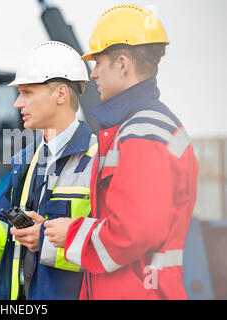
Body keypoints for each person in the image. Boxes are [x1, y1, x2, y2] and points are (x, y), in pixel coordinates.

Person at [44, 5, 199, 299]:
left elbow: (133, 232)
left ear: (123, 64)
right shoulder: (140, 127)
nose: (93, 74)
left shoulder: (143, 131)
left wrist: (72, 233)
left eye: (99, 63)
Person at [0, 41, 98, 300]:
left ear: (61, 94)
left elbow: (108, 248)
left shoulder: (99, 159)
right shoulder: (25, 161)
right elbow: (8, 232)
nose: (18, 103)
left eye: (28, 93)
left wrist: (45, 239)